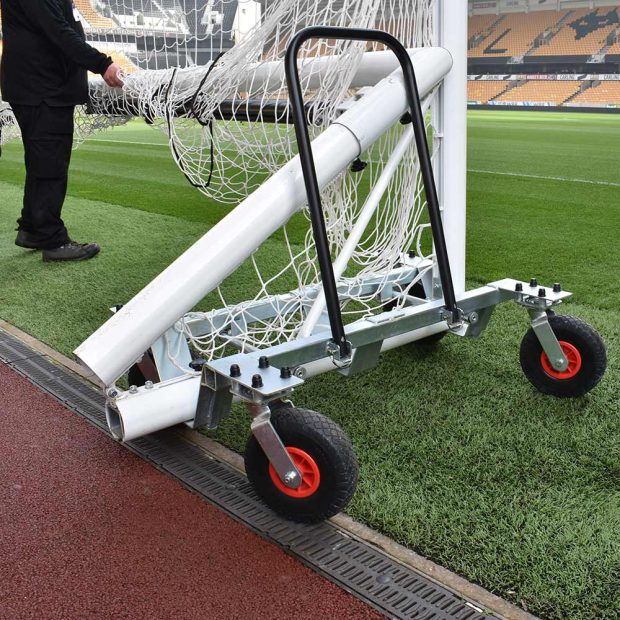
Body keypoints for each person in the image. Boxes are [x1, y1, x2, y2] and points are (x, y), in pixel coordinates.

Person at [0, 0, 124, 261]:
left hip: (40, 86)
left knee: (41, 163)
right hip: (43, 87)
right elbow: (57, 30)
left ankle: (32, 229)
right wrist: (102, 64)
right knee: (50, 166)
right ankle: (52, 239)